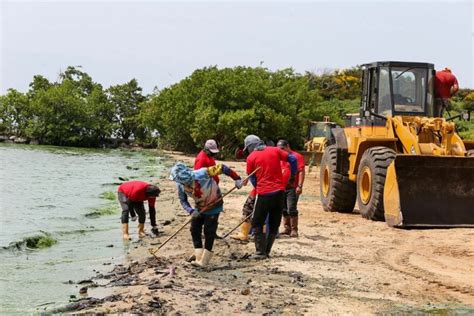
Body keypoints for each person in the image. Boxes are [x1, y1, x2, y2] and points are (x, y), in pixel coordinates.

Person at [170, 162, 242, 267]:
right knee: (194, 230)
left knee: (209, 231)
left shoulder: (203, 173)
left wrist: (237, 179)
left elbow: (222, 167)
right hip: (199, 208)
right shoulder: (180, 185)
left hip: (214, 205)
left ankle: (205, 260)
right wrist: (190, 210)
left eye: (186, 181)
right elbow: (183, 200)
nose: (185, 184)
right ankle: (198, 255)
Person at [244, 135, 297, 259]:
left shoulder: (251, 157)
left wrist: (258, 185)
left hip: (264, 193)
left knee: (257, 222)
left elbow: (252, 177)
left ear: (251, 146)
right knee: (274, 222)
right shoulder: (275, 150)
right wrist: (293, 176)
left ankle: (260, 252)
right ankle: (267, 251)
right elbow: (292, 159)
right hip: (279, 192)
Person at [277, 139, 306, 238]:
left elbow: (301, 171)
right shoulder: (279, 158)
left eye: (282, 148)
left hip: (292, 188)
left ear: (288, 146)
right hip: (281, 187)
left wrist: (299, 185)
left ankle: (294, 230)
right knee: (283, 209)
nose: (281, 151)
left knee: (291, 208)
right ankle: (287, 228)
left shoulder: (296, 157)